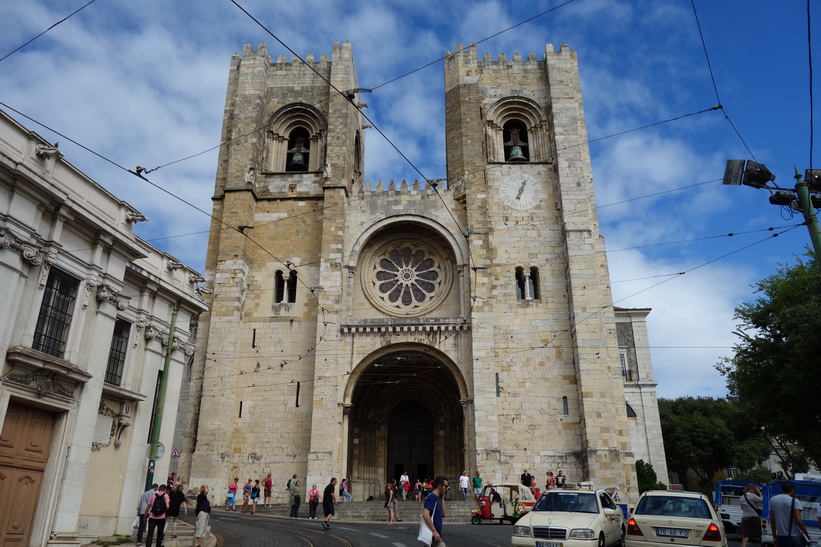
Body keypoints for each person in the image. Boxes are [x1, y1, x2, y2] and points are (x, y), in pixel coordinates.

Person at [770, 482, 811, 547]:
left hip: (780, 536)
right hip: (794, 536)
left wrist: (774, 537)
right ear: (792, 489)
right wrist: (806, 534)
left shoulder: (773, 500)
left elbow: (772, 520)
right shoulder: (794, 501)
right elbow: (798, 520)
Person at [422, 475, 448, 547]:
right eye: (445, 486)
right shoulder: (432, 497)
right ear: (440, 486)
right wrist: (434, 531)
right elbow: (425, 514)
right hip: (432, 534)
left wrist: (442, 498)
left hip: (436, 534)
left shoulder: (437, 499)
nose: (446, 488)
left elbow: (444, 514)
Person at [740, 483, 763, 547]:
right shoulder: (753, 496)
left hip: (745, 518)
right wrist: (759, 492)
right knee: (759, 535)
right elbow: (762, 500)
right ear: (752, 489)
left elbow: (742, 508)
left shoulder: (741, 497)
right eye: (755, 491)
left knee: (745, 536)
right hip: (754, 517)